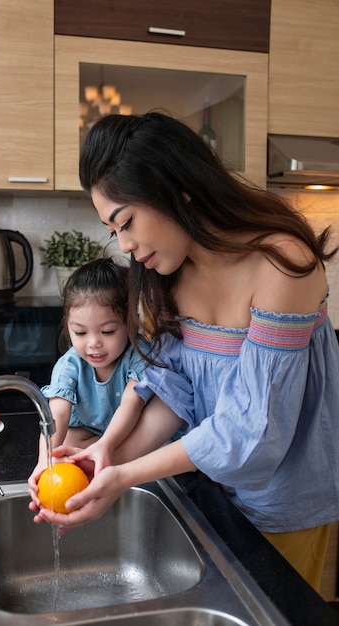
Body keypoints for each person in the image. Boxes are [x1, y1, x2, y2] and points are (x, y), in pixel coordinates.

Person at [30, 112, 339, 592]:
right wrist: (105, 460)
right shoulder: (169, 275)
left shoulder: (283, 263)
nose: (127, 246)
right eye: (115, 232)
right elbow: (176, 393)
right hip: (210, 488)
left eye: (126, 222)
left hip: (284, 502)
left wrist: (124, 474)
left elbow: (253, 432)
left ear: (176, 187)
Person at [29, 256, 181, 484]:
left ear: (130, 322)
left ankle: (107, 458)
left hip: (125, 432)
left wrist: (105, 445)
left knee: (148, 440)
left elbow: (132, 403)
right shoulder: (69, 365)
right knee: (66, 446)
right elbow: (58, 414)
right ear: (68, 326)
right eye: (80, 333)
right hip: (85, 429)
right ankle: (93, 459)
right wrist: (45, 459)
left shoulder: (140, 355)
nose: (93, 343)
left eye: (107, 332)